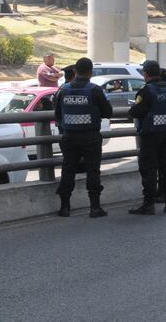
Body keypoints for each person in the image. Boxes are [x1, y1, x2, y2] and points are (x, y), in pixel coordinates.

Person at [54, 57, 112, 218]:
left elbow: (57, 114)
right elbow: (108, 112)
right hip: (90, 137)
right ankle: (95, 207)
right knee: (93, 171)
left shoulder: (63, 90)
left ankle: (65, 207)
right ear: (91, 72)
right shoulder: (95, 90)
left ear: (75, 71)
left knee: (68, 170)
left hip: (69, 137)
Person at [128, 60, 166, 215]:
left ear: (145, 74)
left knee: (149, 169)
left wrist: (132, 109)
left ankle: (148, 204)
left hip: (150, 135)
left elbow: (136, 112)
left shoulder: (147, 91)